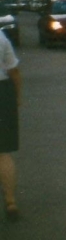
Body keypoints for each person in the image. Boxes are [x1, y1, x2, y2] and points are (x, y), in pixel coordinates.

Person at [0, 30, 21, 222]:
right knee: (3, 152)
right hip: (1, 93)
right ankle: (10, 200)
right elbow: (13, 69)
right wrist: (18, 97)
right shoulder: (0, 36)